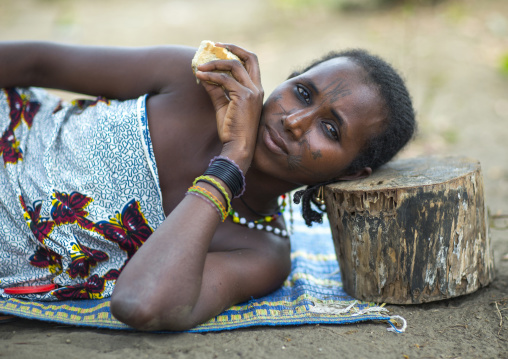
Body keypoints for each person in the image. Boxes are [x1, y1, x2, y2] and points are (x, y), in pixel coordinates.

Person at [0, 41, 415, 331]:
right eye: (302, 92)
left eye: (329, 128)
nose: (294, 121)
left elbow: (141, 304)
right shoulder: (195, 84)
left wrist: (232, 161)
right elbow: (39, 63)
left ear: (349, 173)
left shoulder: (262, 251)